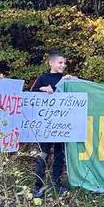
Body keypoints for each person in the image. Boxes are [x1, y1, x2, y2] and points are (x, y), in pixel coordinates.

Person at [31, 50, 76, 199]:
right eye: (60, 63)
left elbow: (77, 94)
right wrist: (42, 89)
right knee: (43, 154)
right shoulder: (43, 78)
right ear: (51, 63)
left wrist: (74, 80)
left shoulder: (66, 80)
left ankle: (56, 183)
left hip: (62, 126)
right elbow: (29, 95)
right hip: (45, 125)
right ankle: (38, 186)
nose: (63, 65)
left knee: (59, 155)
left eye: (64, 63)